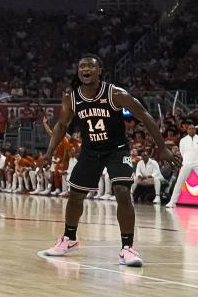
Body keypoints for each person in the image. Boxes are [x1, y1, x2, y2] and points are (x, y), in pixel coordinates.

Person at [41, 55, 180, 267]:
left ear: (99, 71)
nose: (85, 69)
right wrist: (49, 152)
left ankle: (127, 248)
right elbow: (61, 125)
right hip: (90, 150)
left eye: (90, 66)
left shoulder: (115, 94)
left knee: (122, 192)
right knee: (76, 194)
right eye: (82, 66)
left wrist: (162, 148)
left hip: (116, 150)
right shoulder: (72, 98)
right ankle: (69, 239)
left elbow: (145, 116)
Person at [168, 123, 198, 208]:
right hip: (186, 164)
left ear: (195, 130)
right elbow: (182, 152)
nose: (192, 130)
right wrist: (187, 160)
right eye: (190, 129)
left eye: (193, 129)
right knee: (179, 183)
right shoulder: (183, 140)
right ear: (187, 130)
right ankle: (172, 202)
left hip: (197, 163)